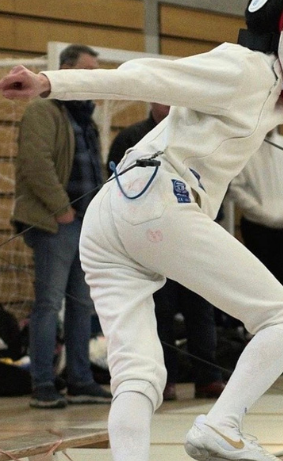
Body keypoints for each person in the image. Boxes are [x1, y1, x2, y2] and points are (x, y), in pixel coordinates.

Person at [0, 0, 283, 461]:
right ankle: (223, 425)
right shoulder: (241, 68)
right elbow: (146, 76)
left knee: (139, 374)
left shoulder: (277, 87)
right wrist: (50, 82)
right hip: (160, 204)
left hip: (109, 217)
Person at [12, 44, 112, 409]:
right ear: (66, 70)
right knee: (48, 303)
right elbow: (36, 163)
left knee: (82, 304)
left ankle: (81, 380)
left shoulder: (87, 116)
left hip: (86, 224)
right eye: (86, 69)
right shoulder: (43, 109)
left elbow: (95, 170)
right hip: (57, 223)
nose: (91, 77)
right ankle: (43, 383)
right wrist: (60, 209)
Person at [107, 103, 225, 402]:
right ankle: (166, 379)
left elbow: (213, 181)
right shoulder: (131, 138)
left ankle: (208, 377)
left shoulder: (194, 136)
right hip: (150, 237)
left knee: (200, 308)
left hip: (192, 235)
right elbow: (114, 186)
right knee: (161, 310)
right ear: (151, 101)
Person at [227, 127, 283, 286]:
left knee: (280, 283)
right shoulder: (245, 145)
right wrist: (262, 212)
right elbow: (235, 187)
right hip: (256, 227)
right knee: (260, 283)